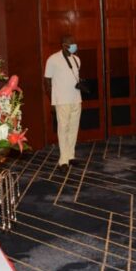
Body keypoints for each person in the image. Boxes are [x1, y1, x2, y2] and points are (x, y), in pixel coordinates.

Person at [44, 35, 83, 171]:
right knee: (63, 129)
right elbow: (47, 81)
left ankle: (71, 156)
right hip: (61, 101)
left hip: (76, 99)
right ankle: (63, 160)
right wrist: (52, 101)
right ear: (64, 45)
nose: (74, 45)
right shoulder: (53, 59)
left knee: (73, 128)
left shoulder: (77, 59)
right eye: (71, 43)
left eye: (74, 42)